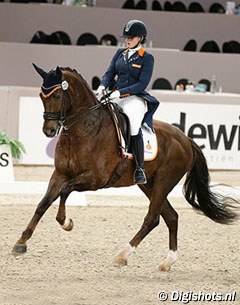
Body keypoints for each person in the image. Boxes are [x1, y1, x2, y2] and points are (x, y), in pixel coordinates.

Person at [96, 19, 159, 184]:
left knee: (133, 125)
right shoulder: (120, 53)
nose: (127, 40)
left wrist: (120, 92)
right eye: (126, 37)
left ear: (140, 38)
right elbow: (109, 73)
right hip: (115, 95)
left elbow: (141, 84)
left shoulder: (147, 58)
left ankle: (139, 169)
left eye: (131, 37)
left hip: (135, 98)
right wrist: (103, 86)